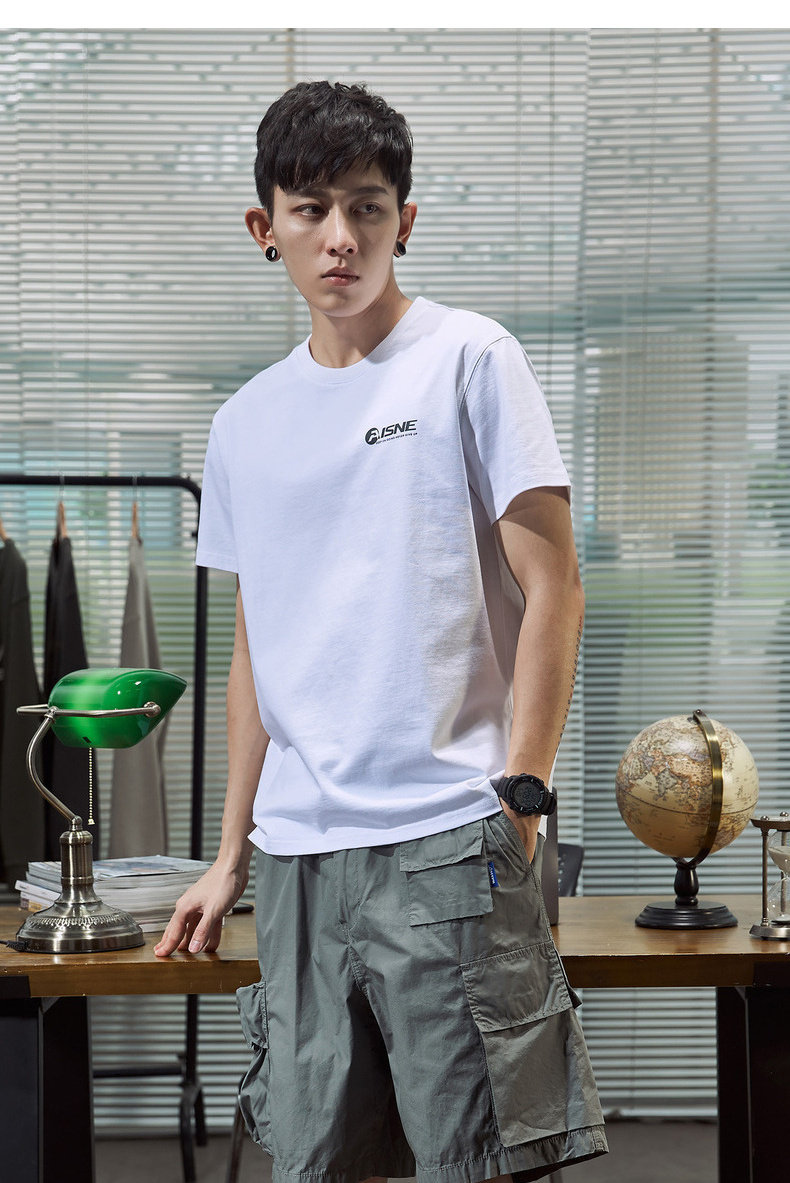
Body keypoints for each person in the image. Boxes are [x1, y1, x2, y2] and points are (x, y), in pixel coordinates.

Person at [155, 80, 607, 1182]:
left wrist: (523, 798)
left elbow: (554, 587)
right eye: (310, 210)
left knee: (476, 1162)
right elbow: (258, 651)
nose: (340, 237)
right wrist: (230, 853)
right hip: (299, 860)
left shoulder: (472, 358)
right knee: (318, 1164)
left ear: (405, 219)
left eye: (366, 207)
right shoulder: (244, 422)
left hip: (449, 839)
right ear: (266, 227)